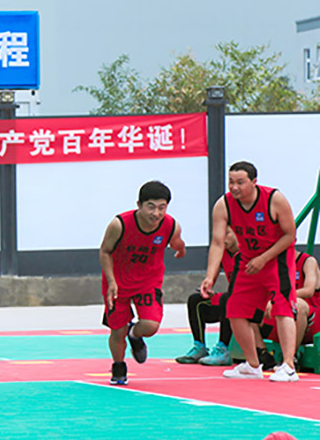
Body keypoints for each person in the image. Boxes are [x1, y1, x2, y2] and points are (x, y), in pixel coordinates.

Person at [200, 161, 299, 382]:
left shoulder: (274, 199)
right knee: (235, 310)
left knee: (283, 308)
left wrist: (264, 258)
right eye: (231, 182)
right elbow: (217, 243)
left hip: (275, 259)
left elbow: (289, 235)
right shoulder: (223, 205)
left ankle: (289, 366)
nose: (234, 187)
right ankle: (253, 365)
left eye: (240, 182)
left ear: (254, 182)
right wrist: (210, 276)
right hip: (247, 261)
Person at [100, 181, 186, 386]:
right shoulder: (119, 224)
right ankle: (119, 365)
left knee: (150, 325)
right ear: (139, 204)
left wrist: (181, 250)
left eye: (161, 207)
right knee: (117, 329)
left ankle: (135, 335)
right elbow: (104, 251)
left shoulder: (170, 225)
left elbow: (177, 242)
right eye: (151, 206)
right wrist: (111, 280)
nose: (156, 213)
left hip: (148, 281)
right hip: (118, 281)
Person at [175, 228, 239, 366]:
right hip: (231, 299)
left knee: (227, 298)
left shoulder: (246, 253)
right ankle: (200, 347)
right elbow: (212, 277)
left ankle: (223, 349)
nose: (223, 238)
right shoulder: (222, 253)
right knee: (196, 300)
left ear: (237, 233)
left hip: (247, 300)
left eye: (227, 233)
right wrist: (208, 290)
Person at [256, 250, 320, 358]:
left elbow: (308, 291)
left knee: (297, 304)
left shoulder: (308, 262)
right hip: (278, 315)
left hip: (309, 318)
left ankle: (290, 359)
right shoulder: (267, 262)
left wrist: (277, 299)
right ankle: (263, 354)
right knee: (245, 307)